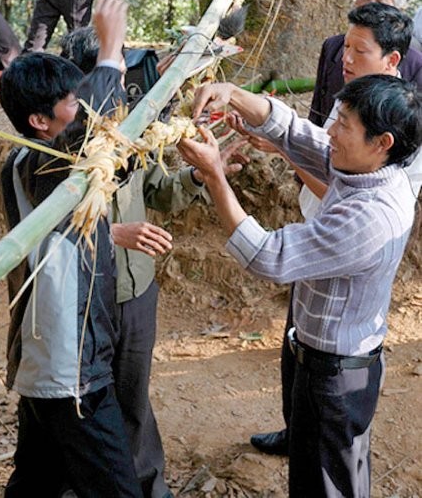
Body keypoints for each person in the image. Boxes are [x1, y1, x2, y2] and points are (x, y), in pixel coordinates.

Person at [178, 75, 422, 498]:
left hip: (334, 379)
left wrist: (215, 176)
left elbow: (269, 256)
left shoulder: (371, 216)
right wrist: (232, 92)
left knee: (325, 486)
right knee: (332, 478)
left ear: (381, 142)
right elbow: (294, 132)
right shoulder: (371, 170)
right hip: (333, 368)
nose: (331, 131)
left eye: (343, 124)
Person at [60, 26, 247, 498]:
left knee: (133, 398)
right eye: (114, 72)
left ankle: (149, 486)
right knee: (80, 405)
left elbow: (158, 191)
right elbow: (40, 231)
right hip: (84, 299)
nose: (124, 83)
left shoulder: (129, 130)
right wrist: (112, 234)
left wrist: (204, 175)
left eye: (121, 71)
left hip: (137, 293)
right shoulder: (55, 149)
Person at [251, 0, 422, 458]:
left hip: (342, 242)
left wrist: (285, 155)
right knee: (299, 342)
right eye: (360, 1)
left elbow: (345, 189)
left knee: (326, 361)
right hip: (318, 232)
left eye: (360, 49)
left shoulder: (401, 123)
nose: (346, 58)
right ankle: (298, 431)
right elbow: (320, 137)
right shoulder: (342, 70)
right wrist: (281, 135)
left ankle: (315, 439)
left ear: (393, 53)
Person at [0, 0, 143, 498]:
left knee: (37, 476)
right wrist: (108, 53)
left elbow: (106, 157)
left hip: (55, 357)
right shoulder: (38, 162)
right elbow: (85, 137)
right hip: (67, 365)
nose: (81, 108)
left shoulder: (54, 168)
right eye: (71, 100)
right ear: (41, 121)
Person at [309, 0, 422, 127]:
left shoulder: (416, 65)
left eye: (380, 1)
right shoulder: (333, 46)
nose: (369, 5)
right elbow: (317, 110)